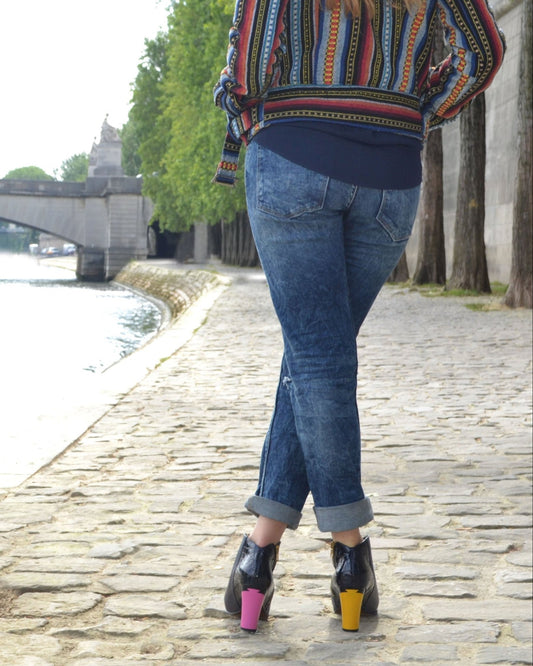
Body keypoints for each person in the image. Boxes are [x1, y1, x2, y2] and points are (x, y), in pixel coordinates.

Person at [213, 0, 505, 633]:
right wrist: (420, 111)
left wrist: (248, 108)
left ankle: (347, 548)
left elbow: (252, 62)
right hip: (388, 179)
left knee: (317, 356)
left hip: (292, 159)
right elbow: (483, 51)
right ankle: (261, 547)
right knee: (316, 355)